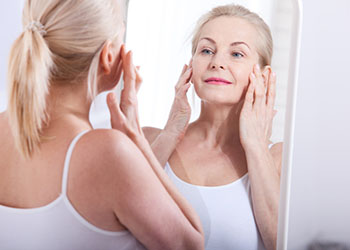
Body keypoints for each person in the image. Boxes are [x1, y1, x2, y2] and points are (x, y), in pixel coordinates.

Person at [0, 1, 204, 249]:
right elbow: (192, 243)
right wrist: (136, 137)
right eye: (121, 37)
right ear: (108, 56)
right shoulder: (108, 152)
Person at [127, 4, 283, 250]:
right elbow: (118, 229)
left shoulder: (279, 159)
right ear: (191, 66)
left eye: (236, 54)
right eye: (207, 50)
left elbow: (283, 243)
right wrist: (169, 135)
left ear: (263, 76)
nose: (217, 62)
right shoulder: (147, 139)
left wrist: (255, 145)